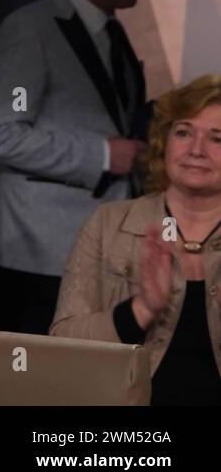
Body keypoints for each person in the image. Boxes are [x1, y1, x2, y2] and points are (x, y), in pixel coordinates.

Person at [0, 0, 149, 334]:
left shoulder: (113, 33)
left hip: (97, 247)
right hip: (42, 250)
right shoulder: (29, 29)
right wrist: (103, 155)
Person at [51, 74, 221, 405]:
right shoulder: (109, 224)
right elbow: (62, 344)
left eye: (217, 138)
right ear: (164, 142)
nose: (196, 150)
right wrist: (140, 310)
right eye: (183, 132)